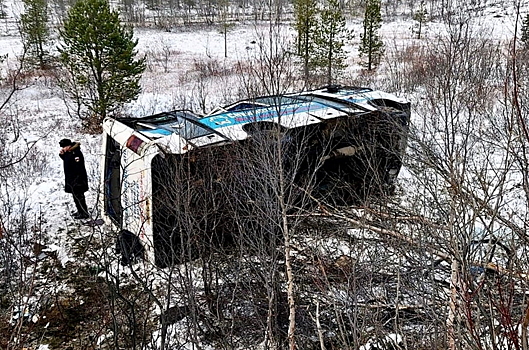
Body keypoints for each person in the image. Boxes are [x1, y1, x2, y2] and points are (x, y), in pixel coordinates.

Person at [59, 138, 89, 219]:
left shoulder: (76, 153)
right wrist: (62, 155)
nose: (63, 149)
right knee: (76, 197)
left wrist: (77, 180)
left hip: (78, 180)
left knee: (80, 197)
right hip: (72, 180)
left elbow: (77, 167)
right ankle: (80, 211)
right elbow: (67, 161)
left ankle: (84, 213)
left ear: (69, 146)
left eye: (64, 147)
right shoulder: (69, 152)